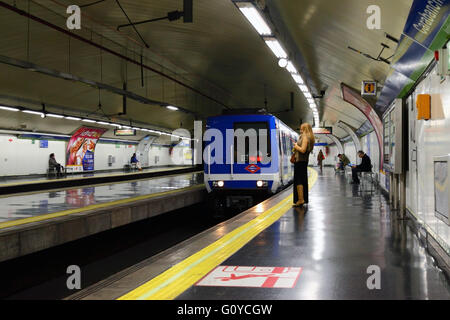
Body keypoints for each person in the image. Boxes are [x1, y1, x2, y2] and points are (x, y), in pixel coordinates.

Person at [292, 122, 315, 207]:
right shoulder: (309, 137)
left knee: (299, 181)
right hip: (304, 161)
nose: (300, 130)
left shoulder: (305, 137)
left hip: (300, 162)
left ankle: (301, 199)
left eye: (302, 128)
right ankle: (302, 199)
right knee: (302, 180)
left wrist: (296, 146)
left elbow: (303, 150)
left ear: (305, 129)